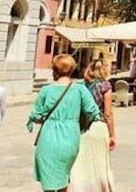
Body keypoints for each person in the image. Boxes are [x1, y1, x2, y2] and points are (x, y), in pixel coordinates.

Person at [28, 54, 103, 192]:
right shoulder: (80, 90)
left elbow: (36, 115)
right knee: (66, 177)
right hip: (71, 136)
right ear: (72, 69)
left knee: (49, 181)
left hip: (48, 138)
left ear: (54, 70)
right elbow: (93, 112)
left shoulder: (46, 90)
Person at [70, 59, 116, 191]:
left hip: (81, 127)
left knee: (82, 165)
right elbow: (108, 114)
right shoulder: (105, 86)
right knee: (100, 164)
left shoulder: (80, 86)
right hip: (98, 126)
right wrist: (112, 134)